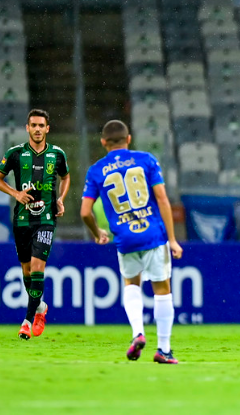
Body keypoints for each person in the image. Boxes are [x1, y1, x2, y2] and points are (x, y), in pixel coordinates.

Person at [80, 120, 183, 364]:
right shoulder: (146, 160)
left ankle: (137, 333)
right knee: (162, 289)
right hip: (153, 235)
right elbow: (162, 199)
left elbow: (85, 212)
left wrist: (96, 232)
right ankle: (164, 349)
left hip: (124, 238)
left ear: (103, 142)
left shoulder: (96, 170)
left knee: (131, 285)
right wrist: (172, 239)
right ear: (129, 139)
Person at [0, 109, 70, 340]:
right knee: (26, 270)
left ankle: (26, 321)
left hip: (46, 218)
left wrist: (60, 199)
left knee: (37, 267)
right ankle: (40, 307)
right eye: (33, 125)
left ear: (47, 128)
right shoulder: (15, 153)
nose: (37, 129)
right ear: (27, 128)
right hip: (22, 220)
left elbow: (65, 177)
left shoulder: (57, 154)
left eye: (41, 125)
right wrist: (16, 194)